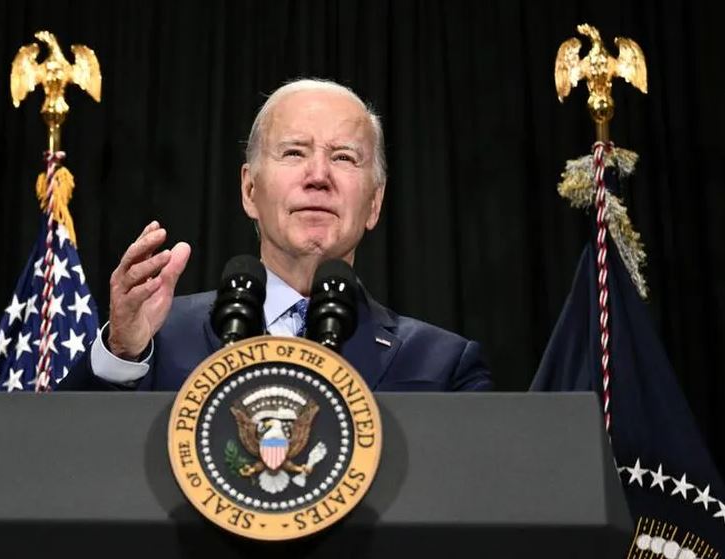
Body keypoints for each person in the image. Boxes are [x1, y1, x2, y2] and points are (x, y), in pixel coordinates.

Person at [60, 78, 492, 392]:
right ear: (250, 190)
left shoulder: (442, 366)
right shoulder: (157, 338)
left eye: (343, 157)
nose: (318, 176)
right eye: (294, 153)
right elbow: (64, 465)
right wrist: (122, 353)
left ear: (374, 204)